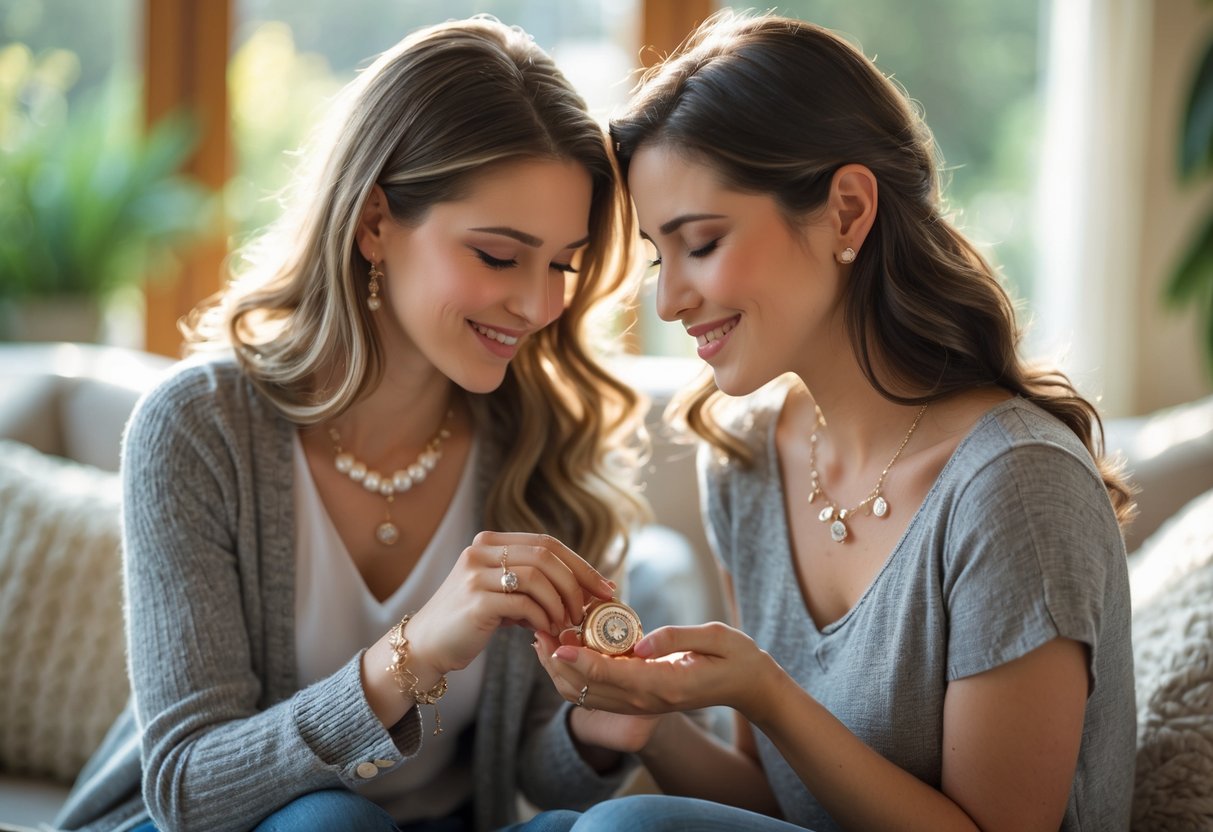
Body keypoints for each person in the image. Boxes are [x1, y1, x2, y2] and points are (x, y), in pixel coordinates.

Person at [527, 10, 1138, 832]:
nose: (669, 300)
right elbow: (772, 805)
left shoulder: (1017, 486)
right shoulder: (745, 458)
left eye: (700, 243)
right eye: (655, 258)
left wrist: (764, 692)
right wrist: (648, 713)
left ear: (847, 211)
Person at [54, 16, 650, 832]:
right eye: (498, 255)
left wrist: (601, 728)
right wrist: (415, 653)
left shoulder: (542, 444)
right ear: (375, 223)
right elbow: (191, 788)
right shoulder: (199, 427)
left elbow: (535, 780)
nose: (540, 304)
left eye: (562, 264)